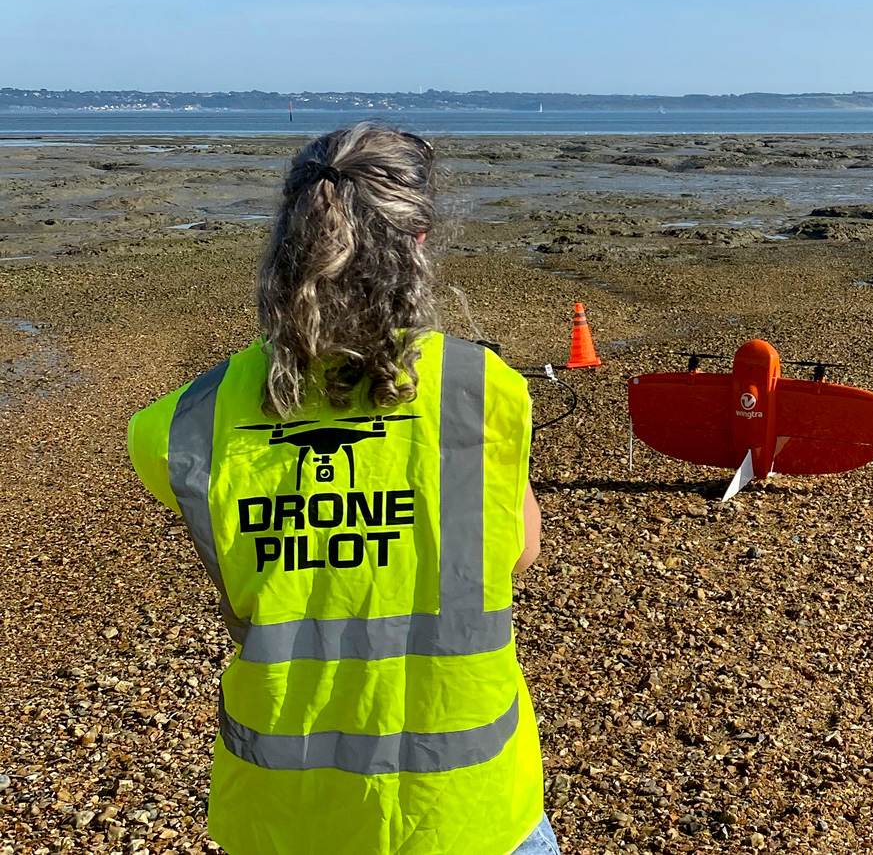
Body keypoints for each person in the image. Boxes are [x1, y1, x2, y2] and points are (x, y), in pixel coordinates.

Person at [127, 124, 559, 855]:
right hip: (467, 808)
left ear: (289, 242)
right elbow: (518, 553)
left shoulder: (182, 426)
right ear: (418, 243)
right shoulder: (480, 391)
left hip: (282, 813)